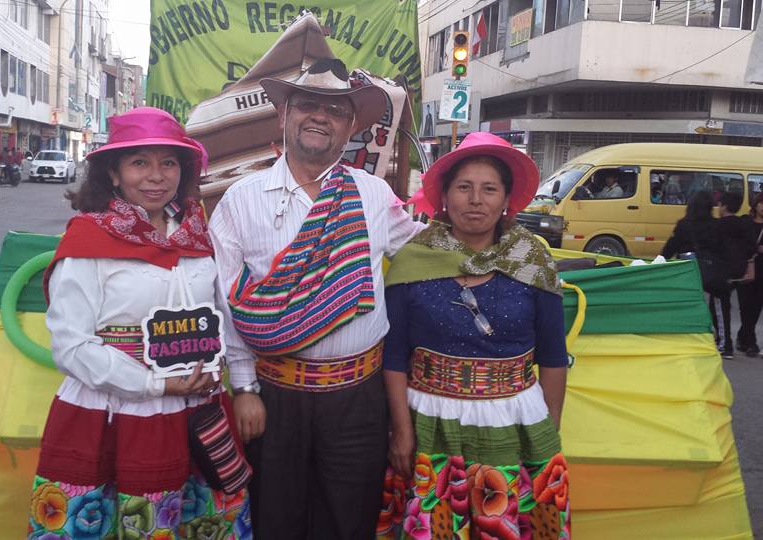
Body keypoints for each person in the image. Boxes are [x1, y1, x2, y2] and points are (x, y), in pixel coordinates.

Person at [208, 57, 424, 538]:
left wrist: (501, 251)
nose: (320, 117)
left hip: (358, 398)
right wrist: (244, 388)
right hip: (273, 397)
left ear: (350, 127)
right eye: (308, 105)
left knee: (349, 521)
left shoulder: (374, 194)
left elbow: (424, 252)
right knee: (276, 521)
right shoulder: (241, 199)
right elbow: (225, 300)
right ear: (283, 116)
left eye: (336, 110)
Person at [29, 107, 251, 540]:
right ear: (113, 173)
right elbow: (72, 346)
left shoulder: (195, 235)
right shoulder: (88, 241)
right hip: (115, 415)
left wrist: (232, 378)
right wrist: (154, 384)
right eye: (139, 162)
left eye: (168, 162)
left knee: (196, 522)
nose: (156, 176)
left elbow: (221, 318)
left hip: (196, 411)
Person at [381, 132, 570, 539]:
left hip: (516, 422)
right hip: (429, 421)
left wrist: (548, 429)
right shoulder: (413, 260)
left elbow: (554, 356)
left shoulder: (533, 261)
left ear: (506, 200)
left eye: (489, 189)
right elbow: (394, 356)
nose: (476, 200)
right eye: (464, 187)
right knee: (433, 529)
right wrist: (401, 429)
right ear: (445, 196)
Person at [662, 191, 730, 351]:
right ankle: (725, 344)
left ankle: (686, 340)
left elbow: (669, 248)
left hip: (687, 272)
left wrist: (658, 263)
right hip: (712, 271)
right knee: (720, 306)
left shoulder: (683, 224)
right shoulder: (717, 225)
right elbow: (723, 250)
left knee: (685, 306)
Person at [712, 192, 756, 357]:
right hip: (741, 271)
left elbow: (712, 248)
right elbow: (751, 247)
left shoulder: (718, 226)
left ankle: (725, 345)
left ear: (723, 206)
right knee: (741, 307)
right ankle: (742, 341)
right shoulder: (744, 224)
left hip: (723, 272)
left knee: (719, 307)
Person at [737, 192, 763, 356]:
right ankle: (750, 342)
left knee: (756, 308)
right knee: (745, 307)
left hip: (761, 271)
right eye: (762, 203)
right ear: (756, 204)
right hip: (745, 269)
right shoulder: (745, 222)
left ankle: (744, 338)